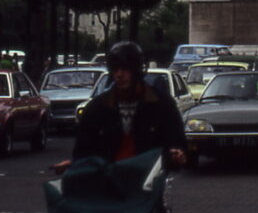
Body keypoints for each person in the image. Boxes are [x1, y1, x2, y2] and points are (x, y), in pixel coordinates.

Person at [54, 41, 187, 174]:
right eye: (115, 69)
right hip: (107, 184)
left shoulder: (162, 104)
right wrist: (73, 165)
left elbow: (176, 142)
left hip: (147, 182)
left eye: (125, 69)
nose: (119, 74)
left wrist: (176, 154)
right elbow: (83, 149)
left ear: (137, 70)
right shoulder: (97, 107)